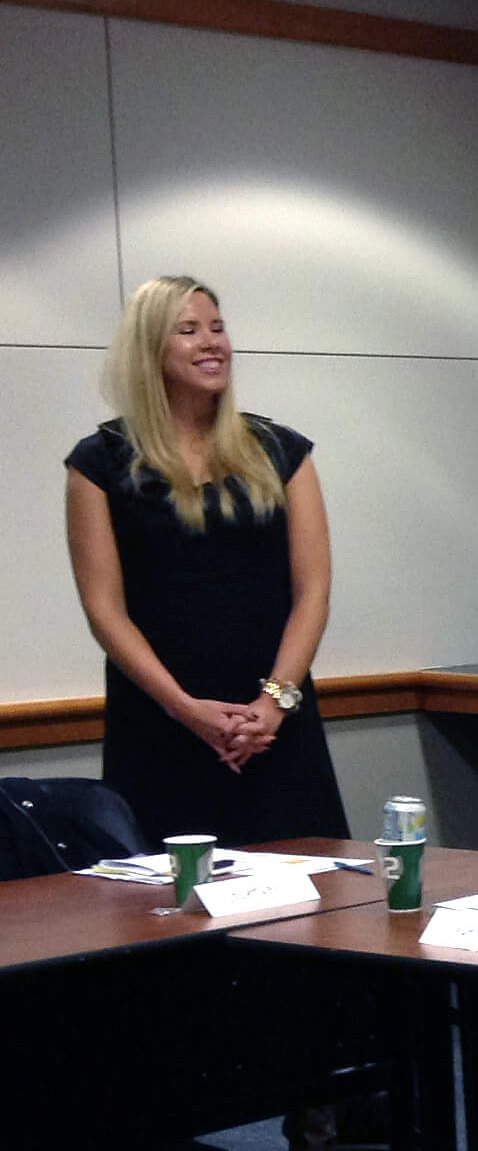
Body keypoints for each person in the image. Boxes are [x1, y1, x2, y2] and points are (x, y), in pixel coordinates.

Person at [65, 276, 347, 848]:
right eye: (189, 331)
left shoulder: (281, 451)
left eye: (217, 328)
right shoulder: (99, 462)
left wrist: (275, 703)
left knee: (308, 903)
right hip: (161, 722)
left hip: (273, 724)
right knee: (167, 912)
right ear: (150, 350)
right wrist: (184, 709)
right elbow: (104, 610)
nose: (211, 342)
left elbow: (312, 591)